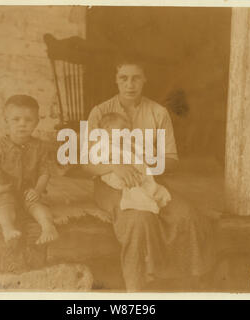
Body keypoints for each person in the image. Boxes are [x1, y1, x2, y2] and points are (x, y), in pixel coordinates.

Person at [83, 57, 216, 291]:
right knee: (139, 219)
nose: (130, 84)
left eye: (136, 78)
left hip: (147, 180)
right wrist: (115, 166)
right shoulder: (100, 112)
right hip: (111, 183)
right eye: (123, 78)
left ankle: (187, 284)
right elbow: (86, 163)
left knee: (188, 216)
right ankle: (137, 287)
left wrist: (146, 163)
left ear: (145, 79)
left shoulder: (157, 112)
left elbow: (172, 160)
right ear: (116, 80)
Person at [0, 95, 59, 253]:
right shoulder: (0, 145)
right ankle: (8, 229)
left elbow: (45, 172)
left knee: (38, 205)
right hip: (6, 190)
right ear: (6, 120)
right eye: (16, 119)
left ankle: (48, 227)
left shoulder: (40, 147)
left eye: (28, 120)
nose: (22, 124)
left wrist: (38, 190)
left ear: (36, 122)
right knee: (3, 205)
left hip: (29, 190)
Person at [97, 112, 171, 214]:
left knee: (144, 176)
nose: (125, 135)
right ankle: (144, 200)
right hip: (115, 174)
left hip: (131, 169)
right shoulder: (103, 144)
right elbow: (102, 158)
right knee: (134, 186)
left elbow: (140, 151)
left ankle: (151, 192)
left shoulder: (124, 142)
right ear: (107, 129)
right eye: (122, 130)